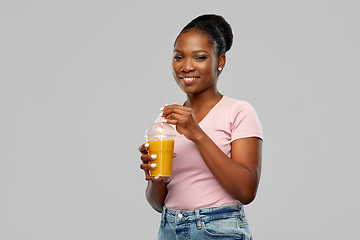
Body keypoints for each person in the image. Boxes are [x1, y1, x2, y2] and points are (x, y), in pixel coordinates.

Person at [139, 14, 263, 240]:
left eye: (199, 57)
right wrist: (154, 177)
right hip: (169, 228)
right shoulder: (165, 121)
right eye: (179, 57)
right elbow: (158, 203)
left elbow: (246, 191)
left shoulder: (238, 112)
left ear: (220, 62)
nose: (186, 66)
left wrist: (197, 133)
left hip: (219, 229)